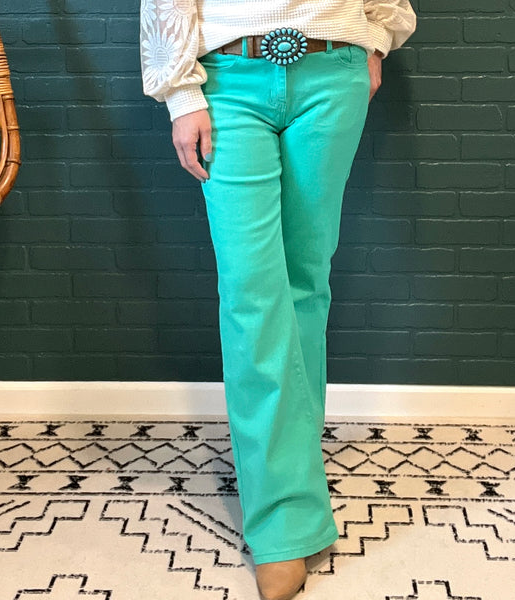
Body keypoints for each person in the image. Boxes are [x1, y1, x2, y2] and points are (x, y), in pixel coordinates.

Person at [140, 2, 416, 599]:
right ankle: (284, 524)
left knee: (305, 287)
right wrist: (181, 94)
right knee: (253, 294)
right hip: (227, 79)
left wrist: (374, 43)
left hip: (333, 71)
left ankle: (293, 479)